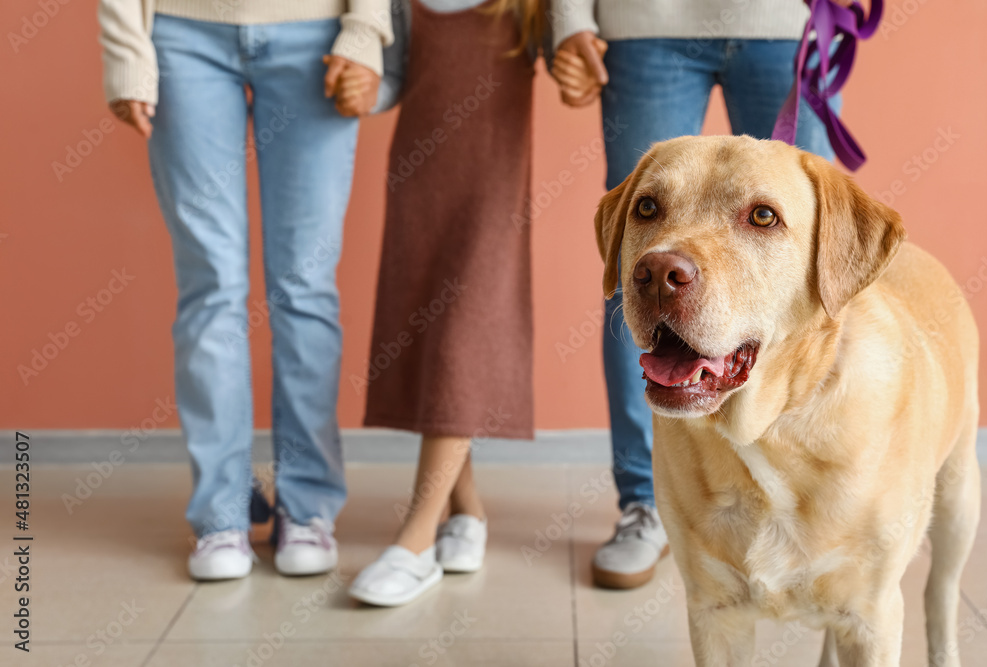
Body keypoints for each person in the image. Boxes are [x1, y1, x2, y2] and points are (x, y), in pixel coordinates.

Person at [550, 0, 844, 590]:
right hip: (645, 22)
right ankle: (646, 503)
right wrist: (571, 18)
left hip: (789, 19)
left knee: (821, 269)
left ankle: (829, 505)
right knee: (648, 265)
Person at [98, 0, 392, 580]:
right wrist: (126, 50)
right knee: (211, 284)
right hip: (183, 34)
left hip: (316, 35)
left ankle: (307, 509)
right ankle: (221, 517)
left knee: (304, 285)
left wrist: (363, 29)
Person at [346, 0, 546, 607]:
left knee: (463, 338)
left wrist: (580, 61)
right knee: (431, 340)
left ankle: (415, 540)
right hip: (422, 176)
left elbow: (569, 50)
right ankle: (469, 513)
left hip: (493, 182)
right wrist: (365, 88)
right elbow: (395, 77)